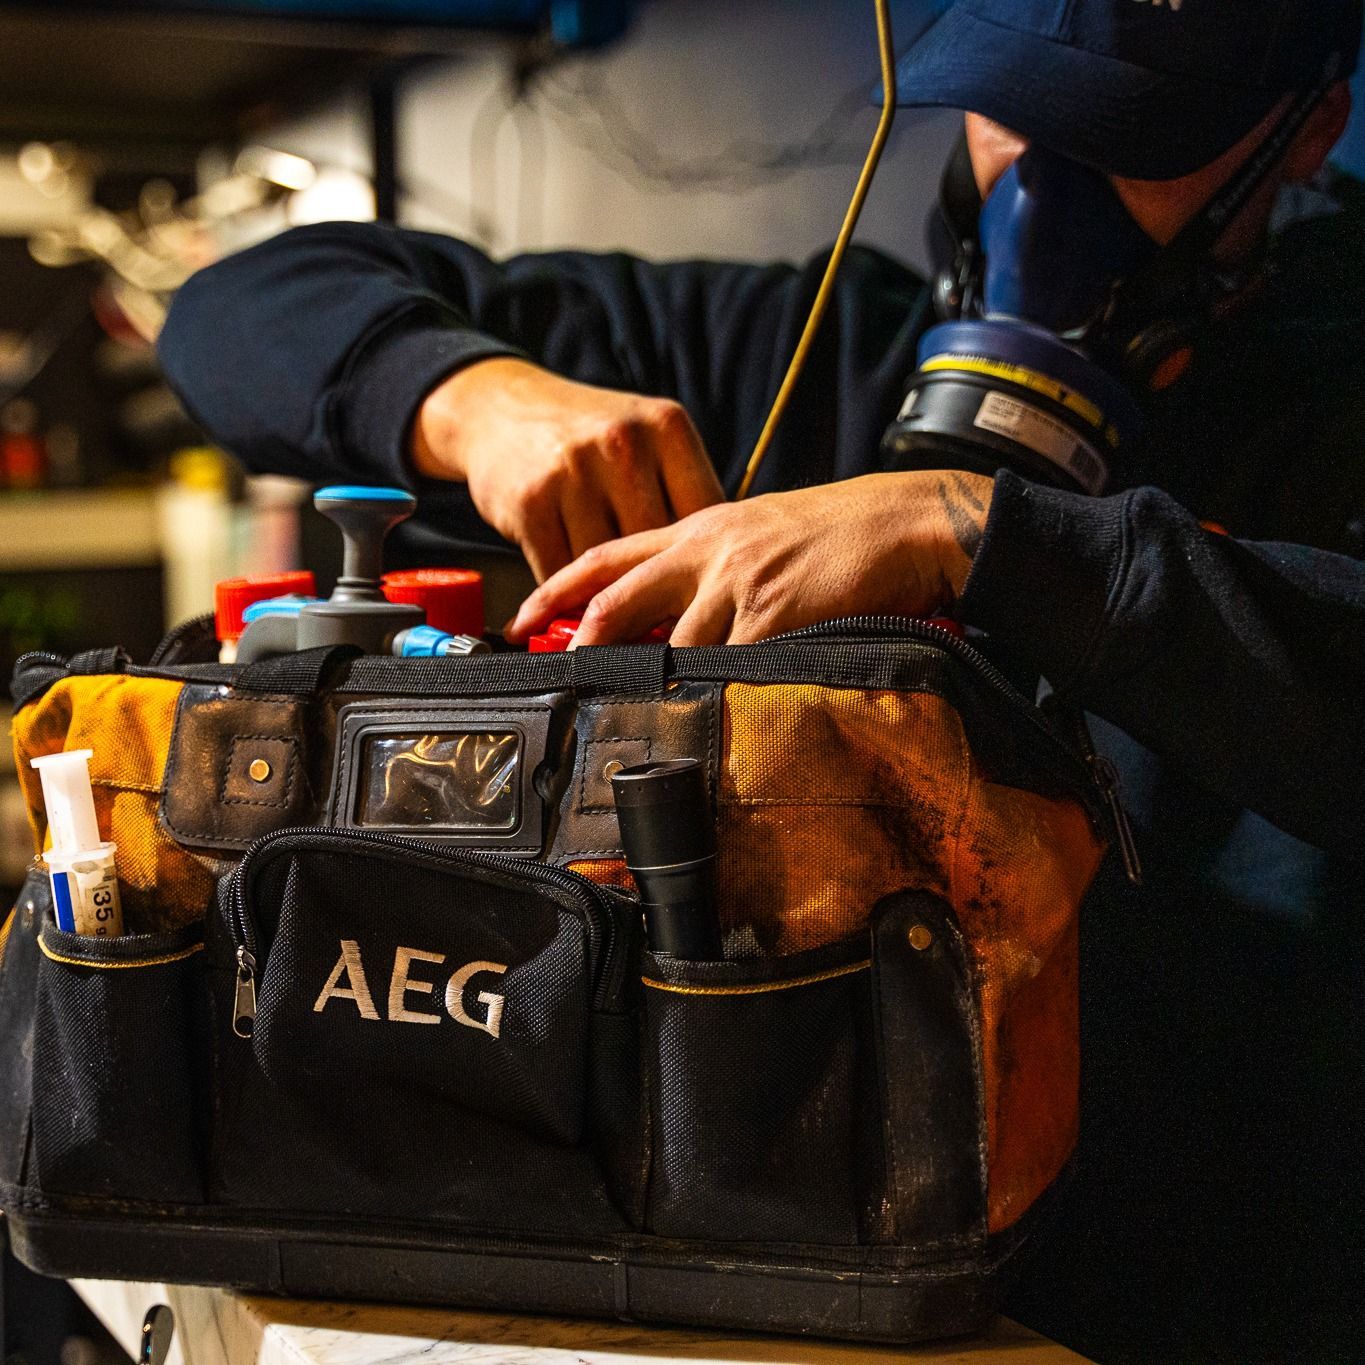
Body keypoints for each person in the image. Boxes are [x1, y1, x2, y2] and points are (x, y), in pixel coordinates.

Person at [159, 2, 1365, 1358]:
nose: (1041, 183)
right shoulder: (797, 351)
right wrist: (470, 397)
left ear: (1306, 129)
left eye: (1123, 140)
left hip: (1210, 1304)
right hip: (791, 1295)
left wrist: (973, 530)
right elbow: (231, 311)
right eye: (1009, 109)